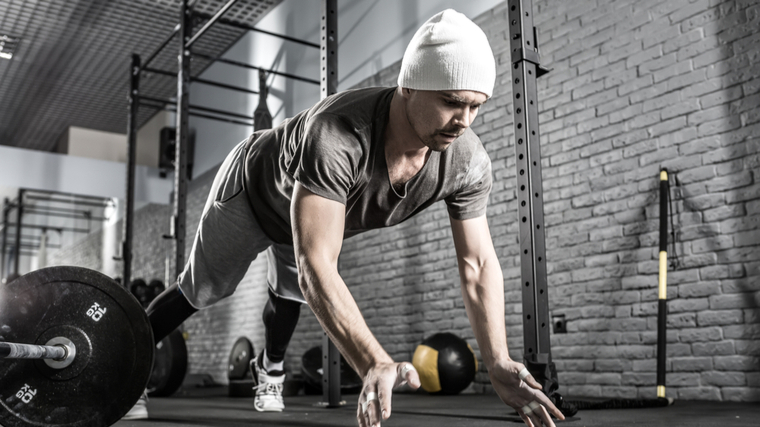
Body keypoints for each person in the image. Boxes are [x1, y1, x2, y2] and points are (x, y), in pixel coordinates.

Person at [123, 9, 565, 427]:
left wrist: (498, 359)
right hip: (253, 191)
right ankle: (126, 372)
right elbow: (318, 265)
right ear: (408, 85)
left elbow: (479, 264)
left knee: (290, 293)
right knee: (200, 289)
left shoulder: (466, 162)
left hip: (308, 210)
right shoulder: (337, 134)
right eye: (452, 101)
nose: (463, 121)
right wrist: (373, 359)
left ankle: (270, 367)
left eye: (476, 106)